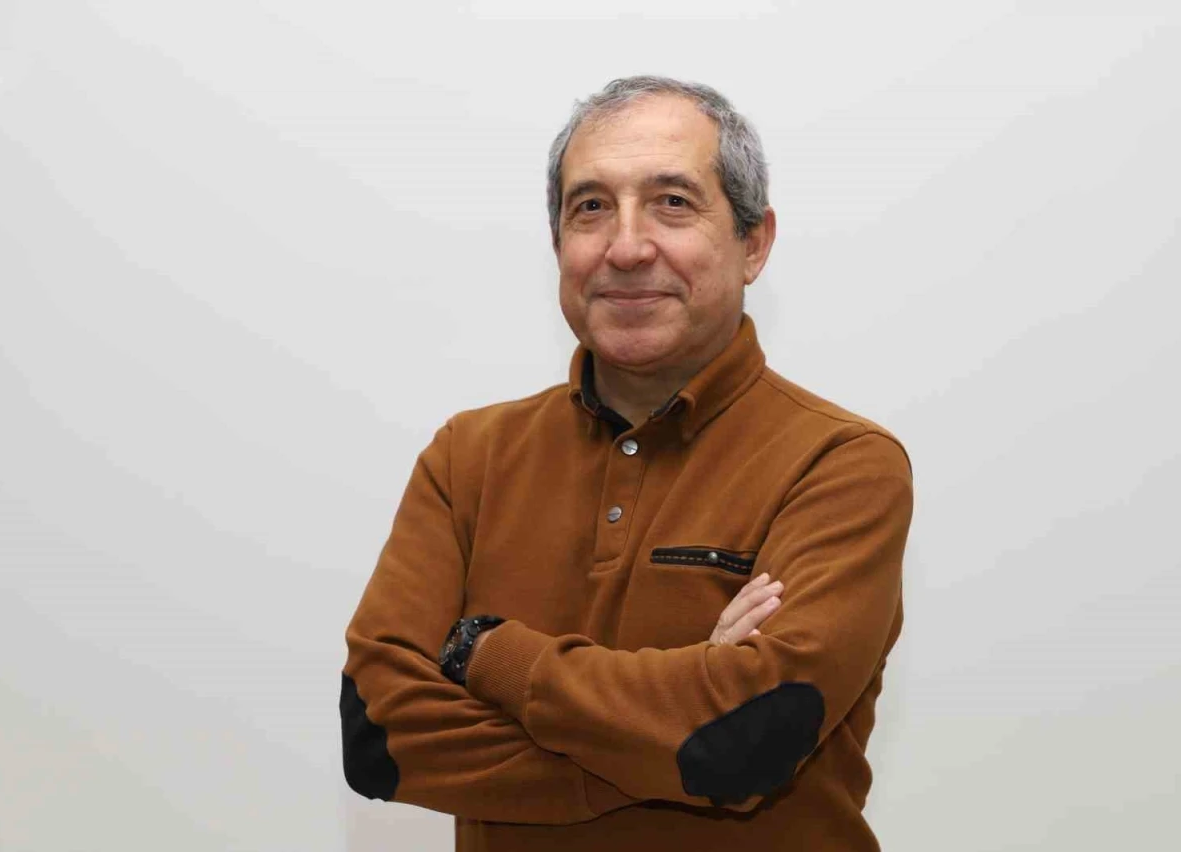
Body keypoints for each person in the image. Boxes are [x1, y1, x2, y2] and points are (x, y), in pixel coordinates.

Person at [340, 75, 914, 851]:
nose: (627, 246)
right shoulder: (466, 458)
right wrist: (673, 734)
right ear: (558, 245)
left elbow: (744, 743)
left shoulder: (842, 464)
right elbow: (378, 738)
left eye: (673, 202)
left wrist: (488, 652)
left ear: (753, 243)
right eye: (591, 207)